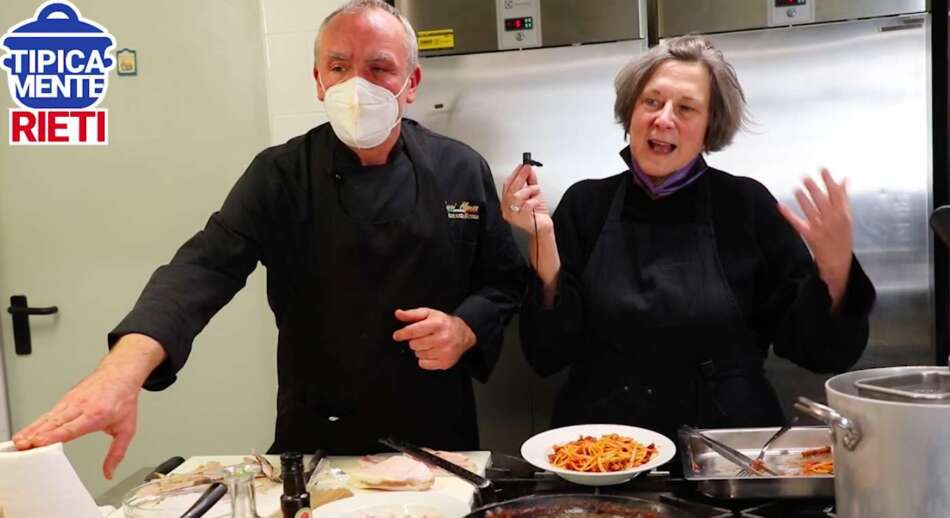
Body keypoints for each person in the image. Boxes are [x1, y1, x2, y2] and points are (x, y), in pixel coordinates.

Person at [12, 0, 525, 479]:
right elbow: (205, 267)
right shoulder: (279, 174)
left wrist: (464, 329)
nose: (356, 85)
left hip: (438, 435)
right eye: (340, 67)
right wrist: (122, 369)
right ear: (319, 81)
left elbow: (503, 282)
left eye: (379, 68)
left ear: (410, 82)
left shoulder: (460, 167)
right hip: (320, 434)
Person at [501, 35, 875, 442]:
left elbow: (819, 352)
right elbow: (546, 354)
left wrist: (837, 271)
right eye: (652, 102)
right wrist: (543, 245)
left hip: (726, 452)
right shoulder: (585, 204)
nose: (664, 119)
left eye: (686, 108)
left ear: (710, 127)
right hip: (603, 450)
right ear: (630, 113)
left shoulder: (745, 205)